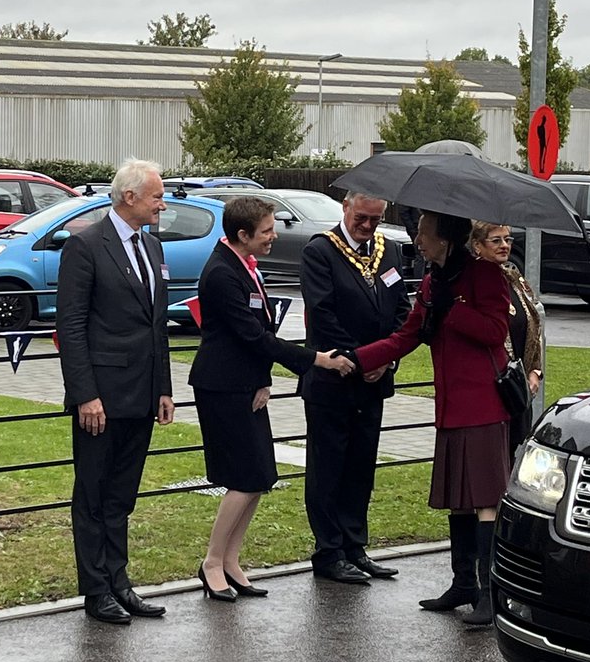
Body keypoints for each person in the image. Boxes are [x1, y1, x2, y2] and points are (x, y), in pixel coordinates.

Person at [190, 197, 354, 601]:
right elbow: (253, 336)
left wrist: (262, 379)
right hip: (222, 386)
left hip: (246, 384)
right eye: (266, 231)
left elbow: (253, 338)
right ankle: (212, 561)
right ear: (242, 235)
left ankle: (231, 560)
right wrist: (317, 359)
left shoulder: (243, 266)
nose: (273, 236)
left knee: (260, 477)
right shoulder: (221, 274)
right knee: (243, 480)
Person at [352, 211, 511, 629]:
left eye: (422, 233)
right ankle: (462, 584)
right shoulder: (432, 281)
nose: (416, 239)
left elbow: (496, 332)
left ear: (444, 238)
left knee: (484, 500)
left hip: (482, 404)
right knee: (460, 499)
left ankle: (490, 593)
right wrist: (356, 359)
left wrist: (453, 309)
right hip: (451, 405)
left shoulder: (484, 276)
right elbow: (408, 335)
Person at [56, 158, 175, 626]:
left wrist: (163, 387)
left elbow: (156, 324)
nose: (161, 204)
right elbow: (71, 324)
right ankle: (96, 589)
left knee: (121, 494)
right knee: (92, 493)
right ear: (130, 197)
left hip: (141, 393)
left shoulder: (151, 244)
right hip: (101, 397)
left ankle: (119, 581)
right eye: (156, 196)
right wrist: (86, 394)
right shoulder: (85, 246)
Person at [299, 191, 412, 585]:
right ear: (345, 209)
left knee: (361, 466)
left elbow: (402, 312)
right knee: (328, 468)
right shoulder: (320, 252)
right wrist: (363, 358)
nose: (367, 226)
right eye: (361, 218)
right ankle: (328, 551)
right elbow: (323, 314)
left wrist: (387, 358)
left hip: (374, 380)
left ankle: (354, 546)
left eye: (375, 220)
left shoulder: (390, 251)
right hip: (334, 377)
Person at [470, 221, 544, 454]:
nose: (504, 245)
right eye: (496, 240)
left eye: (508, 239)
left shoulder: (513, 278)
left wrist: (535, 371)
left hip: (518, 389)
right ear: (477, 246)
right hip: (490, 390)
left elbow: (533, 328)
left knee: (517, 455)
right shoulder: (473, 282)